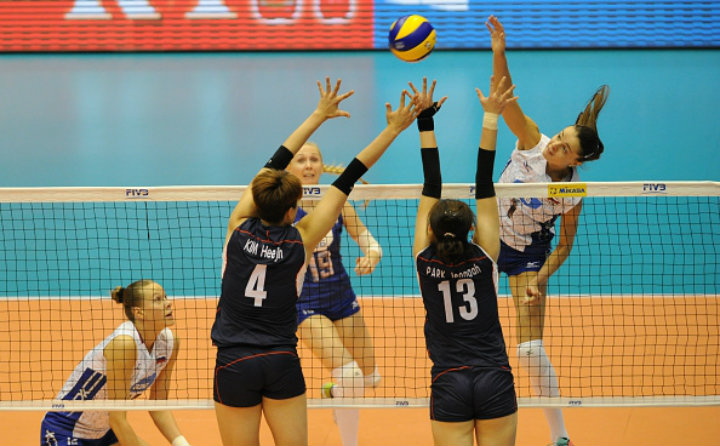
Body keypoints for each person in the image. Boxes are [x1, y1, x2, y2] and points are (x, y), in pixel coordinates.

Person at [211, 77, 420, 446]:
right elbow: (350, 176)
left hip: (234, 361)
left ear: (256, 198)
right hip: (280, 361)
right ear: (294, 211)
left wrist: (317, 115)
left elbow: (273, 164)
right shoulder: (301, 241)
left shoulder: (237, 228)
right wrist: (393, 130)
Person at [486, 15, 610, 446]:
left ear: (576, 161)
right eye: (559, 136)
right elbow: (506, 100)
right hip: (487, 240)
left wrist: (540, 279)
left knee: (529, 349)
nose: (554, 144)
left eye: (564, 147)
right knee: (478, 336)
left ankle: (560, 434)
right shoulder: (531, 142)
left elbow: (566, 245)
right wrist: (499, 53)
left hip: (528, 255)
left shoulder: (573, 192)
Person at [412, 75, 519, 446]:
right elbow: (484, 180)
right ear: (472, 229)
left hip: (449, 382)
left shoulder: (424, 260)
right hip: (494, 377)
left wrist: (425, 121)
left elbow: (431, 183)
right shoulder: (486, 255)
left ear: (430, 230)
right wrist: (491, 116)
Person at [286, 142, 382, 446]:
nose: (308, 165)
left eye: (314, 159)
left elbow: (365, 237)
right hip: (305, 304)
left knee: (370, 379)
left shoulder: (336, 200)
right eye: (301, 160)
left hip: (341, 297)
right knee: (351, 375)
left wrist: (372, 254)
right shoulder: (284, 207)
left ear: (321, 165)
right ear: (289, 168)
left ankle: (335, 393)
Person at [40, 280, 191, 446]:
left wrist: (182, 444)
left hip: (105, 433)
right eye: (158, 299)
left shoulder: (169, 343)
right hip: (64, 430)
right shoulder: (124, 345)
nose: (168, 303)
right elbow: (118, 420)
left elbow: (158, 406)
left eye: (165, 297)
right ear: (139, 312)